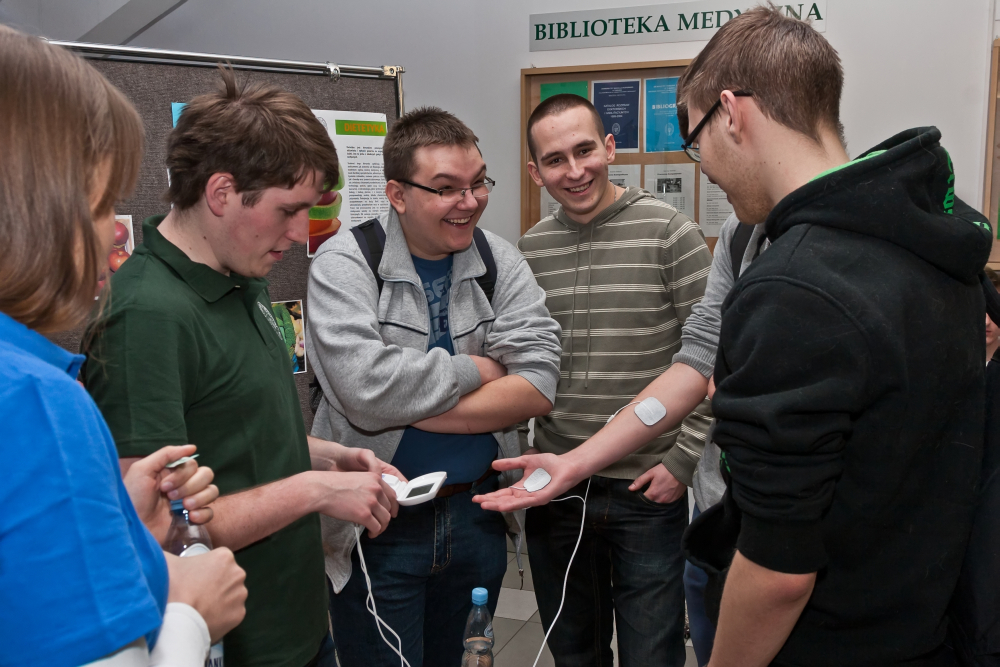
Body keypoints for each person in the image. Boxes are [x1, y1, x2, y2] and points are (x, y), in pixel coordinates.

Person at [488, 6, 994, 667]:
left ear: (731, 113)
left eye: (697, 143)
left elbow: (780, 569)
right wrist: (577, 462)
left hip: (834, 632)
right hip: (925, 605)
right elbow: (698, 356)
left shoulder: (796, 288)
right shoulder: (926, 224)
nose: (704, 168)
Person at [83, 69, 401, 667]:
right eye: (288, 211)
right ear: (222, 192)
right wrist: (314, 490)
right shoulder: (146, 317)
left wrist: (327, 457)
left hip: (299, 624)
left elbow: (232, 434)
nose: (299, 233)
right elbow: (156, 529)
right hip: (232, 646)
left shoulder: (241, 275)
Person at [0, 25, 246, 666]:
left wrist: (120, 526)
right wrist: (191, 613)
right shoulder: (34, 402)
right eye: (102, 202)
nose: (116, 230)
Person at [306, 106, 562, 667]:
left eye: (478, 183)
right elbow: (364, 391)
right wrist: (480, 369)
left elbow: (539, 381)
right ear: (397, 194)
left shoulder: (497, 260)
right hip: (379, 523)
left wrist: (400, 399)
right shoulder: (345, 263)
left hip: (477, 513)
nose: (469, 202)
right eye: (446, 189)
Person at [511, 93, 713, 667]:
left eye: (584, 151)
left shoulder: (670, 232)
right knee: (574, 652)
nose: (574, 171)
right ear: (536, 172)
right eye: (555, 160)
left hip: (645, 488)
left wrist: (682, 462)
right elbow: (521, 362)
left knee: (652, 654)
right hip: (557, 489)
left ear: (609, 147)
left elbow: (714, 358)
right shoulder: (528, 251)